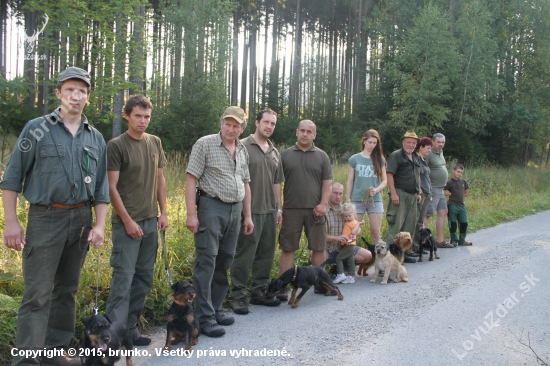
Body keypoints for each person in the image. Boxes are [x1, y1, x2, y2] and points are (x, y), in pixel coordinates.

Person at [1, 67, 109, 366]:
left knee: (67, 291)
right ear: (59, 92)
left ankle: (54, 353)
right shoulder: (36, 129)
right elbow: (11, 180)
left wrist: (99, 225)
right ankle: (26, 361)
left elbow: (101, 189)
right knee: (36, 295)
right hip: (45, 219)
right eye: (71, 90)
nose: (76, 96)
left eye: (83, 91)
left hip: (81, 220)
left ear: (89, 97)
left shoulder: (95, 137)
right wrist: (11, 223)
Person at [185, 106, 254, 338]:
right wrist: (191, 214)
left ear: (243, 128)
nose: (230, 129)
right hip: (211, 207)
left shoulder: (243, 149)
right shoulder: (204, 144)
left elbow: (245, 183)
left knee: (225, 260)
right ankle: (203, 317)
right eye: (227, 123)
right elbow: (191, 179)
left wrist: (248, 215)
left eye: (236, 125)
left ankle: (215, 309)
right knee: (207, 261)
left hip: (235, 210)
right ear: (221, 123)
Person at [104, 95, 167, 346]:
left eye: (147, 116)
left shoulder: (155, 142)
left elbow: (161, 180)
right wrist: (128, 221)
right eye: (138, 116)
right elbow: (111, 187)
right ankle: (111, 338)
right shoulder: (117, 145)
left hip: (150, 221)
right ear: (127, 115)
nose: (142, 121)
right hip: (127, 224)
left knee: (143, 278)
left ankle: (130, 329)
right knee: (123, 280)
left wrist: (164, 213)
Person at [230, 108, 284, 315]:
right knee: (244, 254)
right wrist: (244, 213)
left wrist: (279, 208)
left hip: (270, 211)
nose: (269, 126)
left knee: (266, 254)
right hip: (248, 211)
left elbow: (277, 182)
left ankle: (259, 291)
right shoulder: (241, 146)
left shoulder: (274, 151)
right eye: (266, 122)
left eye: (273, 124)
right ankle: (237, 295)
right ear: (257, 123)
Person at [278, 120, 332, 299]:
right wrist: (279, 207)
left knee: (318, 247)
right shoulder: (285, 155)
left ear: (314, 135)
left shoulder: (322, 156)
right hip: (291, 209)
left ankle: (320, 284)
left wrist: (324, 204)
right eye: (302, 130)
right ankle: (282, 287)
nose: (305, 134)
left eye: (309, 131)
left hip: (316, 211)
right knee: (288, 248)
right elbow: (277, 183)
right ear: (296, 132)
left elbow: (327, 183)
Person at [385, 130, 422, 263]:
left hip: (413, 195)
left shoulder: (416, 157)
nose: (411, 145)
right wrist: (393, 193)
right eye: (408, 142)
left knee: (410, 225)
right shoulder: (396, 155)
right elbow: (389, 174)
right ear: (403, 142)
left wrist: (418, 192)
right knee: (396, 224)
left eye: (413, 143)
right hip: (399, 193)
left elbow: (418, 175)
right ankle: (389, 254)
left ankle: (404, 253)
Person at [346, 129, 387, 243]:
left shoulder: (380, 159)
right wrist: (348, 199)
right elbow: (350, 181)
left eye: (375, 143)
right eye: (370, 142)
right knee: (353, 230)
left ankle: (377, 257)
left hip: (375, 200)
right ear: (364, 141)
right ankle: (349, 257)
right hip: (357, 199)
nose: (372, 145)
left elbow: (384, 181)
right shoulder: (354, 159)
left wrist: (376, 190)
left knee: (375, 231)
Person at [325, 182, 373, 274]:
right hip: (327, 248)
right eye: (335, 193)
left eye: (340, 193)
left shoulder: (346, 210)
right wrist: (336, 238)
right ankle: (321, 276)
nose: (338, 196)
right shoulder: (323, 210)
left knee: (368, 256)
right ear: (328, 192)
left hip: (345, 248)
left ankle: (342, 267)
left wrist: (355, 234)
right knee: (314, 255)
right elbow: (318, 237)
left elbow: (357, 227)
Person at [425, 133, 454, 247]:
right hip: (433, 188)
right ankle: (425, 241)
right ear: (433, 142)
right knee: (427, 214)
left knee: (443, 211)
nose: (441, 144)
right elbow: (423, 170)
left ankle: (440, 241)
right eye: (438, 142)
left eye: (442, 142)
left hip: (441, 188)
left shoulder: (440, 152)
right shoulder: (429, 153)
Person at [333, 203, 364, 284]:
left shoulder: (354, 222)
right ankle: (351, 276)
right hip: (348, 244)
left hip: (349, 245)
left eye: (349, 215)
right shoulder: (349, 222)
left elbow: (354, 231)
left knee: (339, 258)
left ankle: (340, 274)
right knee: (350, 260)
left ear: (354, 213)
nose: (348, 218)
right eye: (346, 216)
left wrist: (358, 225)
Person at [413, 137, 433, 254]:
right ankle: (415, 245)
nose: (429, 150)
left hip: (427, 191)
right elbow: (417, 176)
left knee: (421, 220)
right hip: (421, 192)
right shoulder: (416, 159)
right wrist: (419, 190)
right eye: (428, 148)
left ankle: (420, 245)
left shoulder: (423, 159)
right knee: (417, 220)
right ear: (421, 147)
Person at [444, 164, 472, 246]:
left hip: (461, 205)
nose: (459, 174)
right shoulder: (449, 182)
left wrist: (462, 196)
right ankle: (454, 239)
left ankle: (462, 240)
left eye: (461, 172)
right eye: (458, 171)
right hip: (452, 205)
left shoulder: (463, 182)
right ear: (453, 170)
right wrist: (448, 194)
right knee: (452, 223)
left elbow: (466, 193)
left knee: (464, 223)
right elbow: (442, 191)